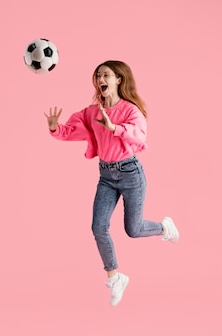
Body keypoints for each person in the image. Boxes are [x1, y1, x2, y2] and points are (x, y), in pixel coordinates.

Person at [44, 60, 179, 307]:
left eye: (105, 75)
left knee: (133, 229)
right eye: (97, 76)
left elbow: (140, 135)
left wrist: (113, 127)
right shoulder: (92, 112)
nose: (100, 79)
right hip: (106, 176)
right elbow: (73, 130)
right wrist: (55, 128)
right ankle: (115, 277)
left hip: (130, 173)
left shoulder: (130, 110)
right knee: (98, 227)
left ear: (118, 79)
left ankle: (164, 227)